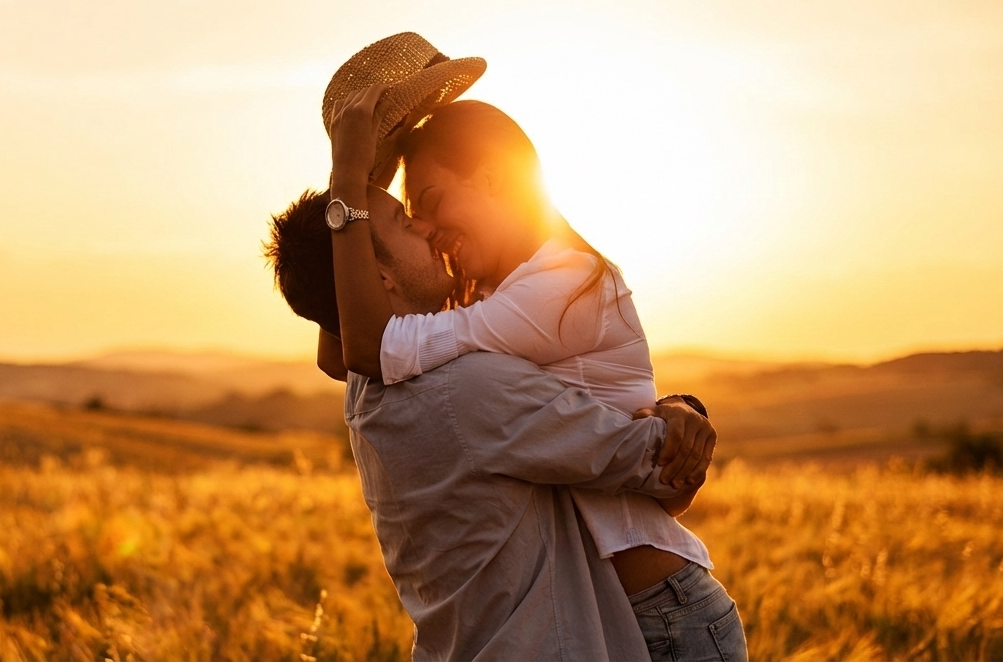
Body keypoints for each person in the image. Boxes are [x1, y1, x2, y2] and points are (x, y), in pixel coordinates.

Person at [323, 77, 746, 661]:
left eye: (432, 201)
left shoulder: (559, 286)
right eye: (414, 216)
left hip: (664, 613)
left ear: (493, 179)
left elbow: (368, 346)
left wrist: (350, 182)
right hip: (620, 614)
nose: (426, 227)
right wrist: (367, 202)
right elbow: (341, 350)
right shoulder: (498, 294)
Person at [265, 184, 719, 660]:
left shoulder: (362, 389)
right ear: (380, 279)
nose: (422, 227)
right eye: (404, 221)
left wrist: (354, 182)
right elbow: (662, 468)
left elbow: (339, 329)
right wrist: (683, 409)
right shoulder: (468, 388)